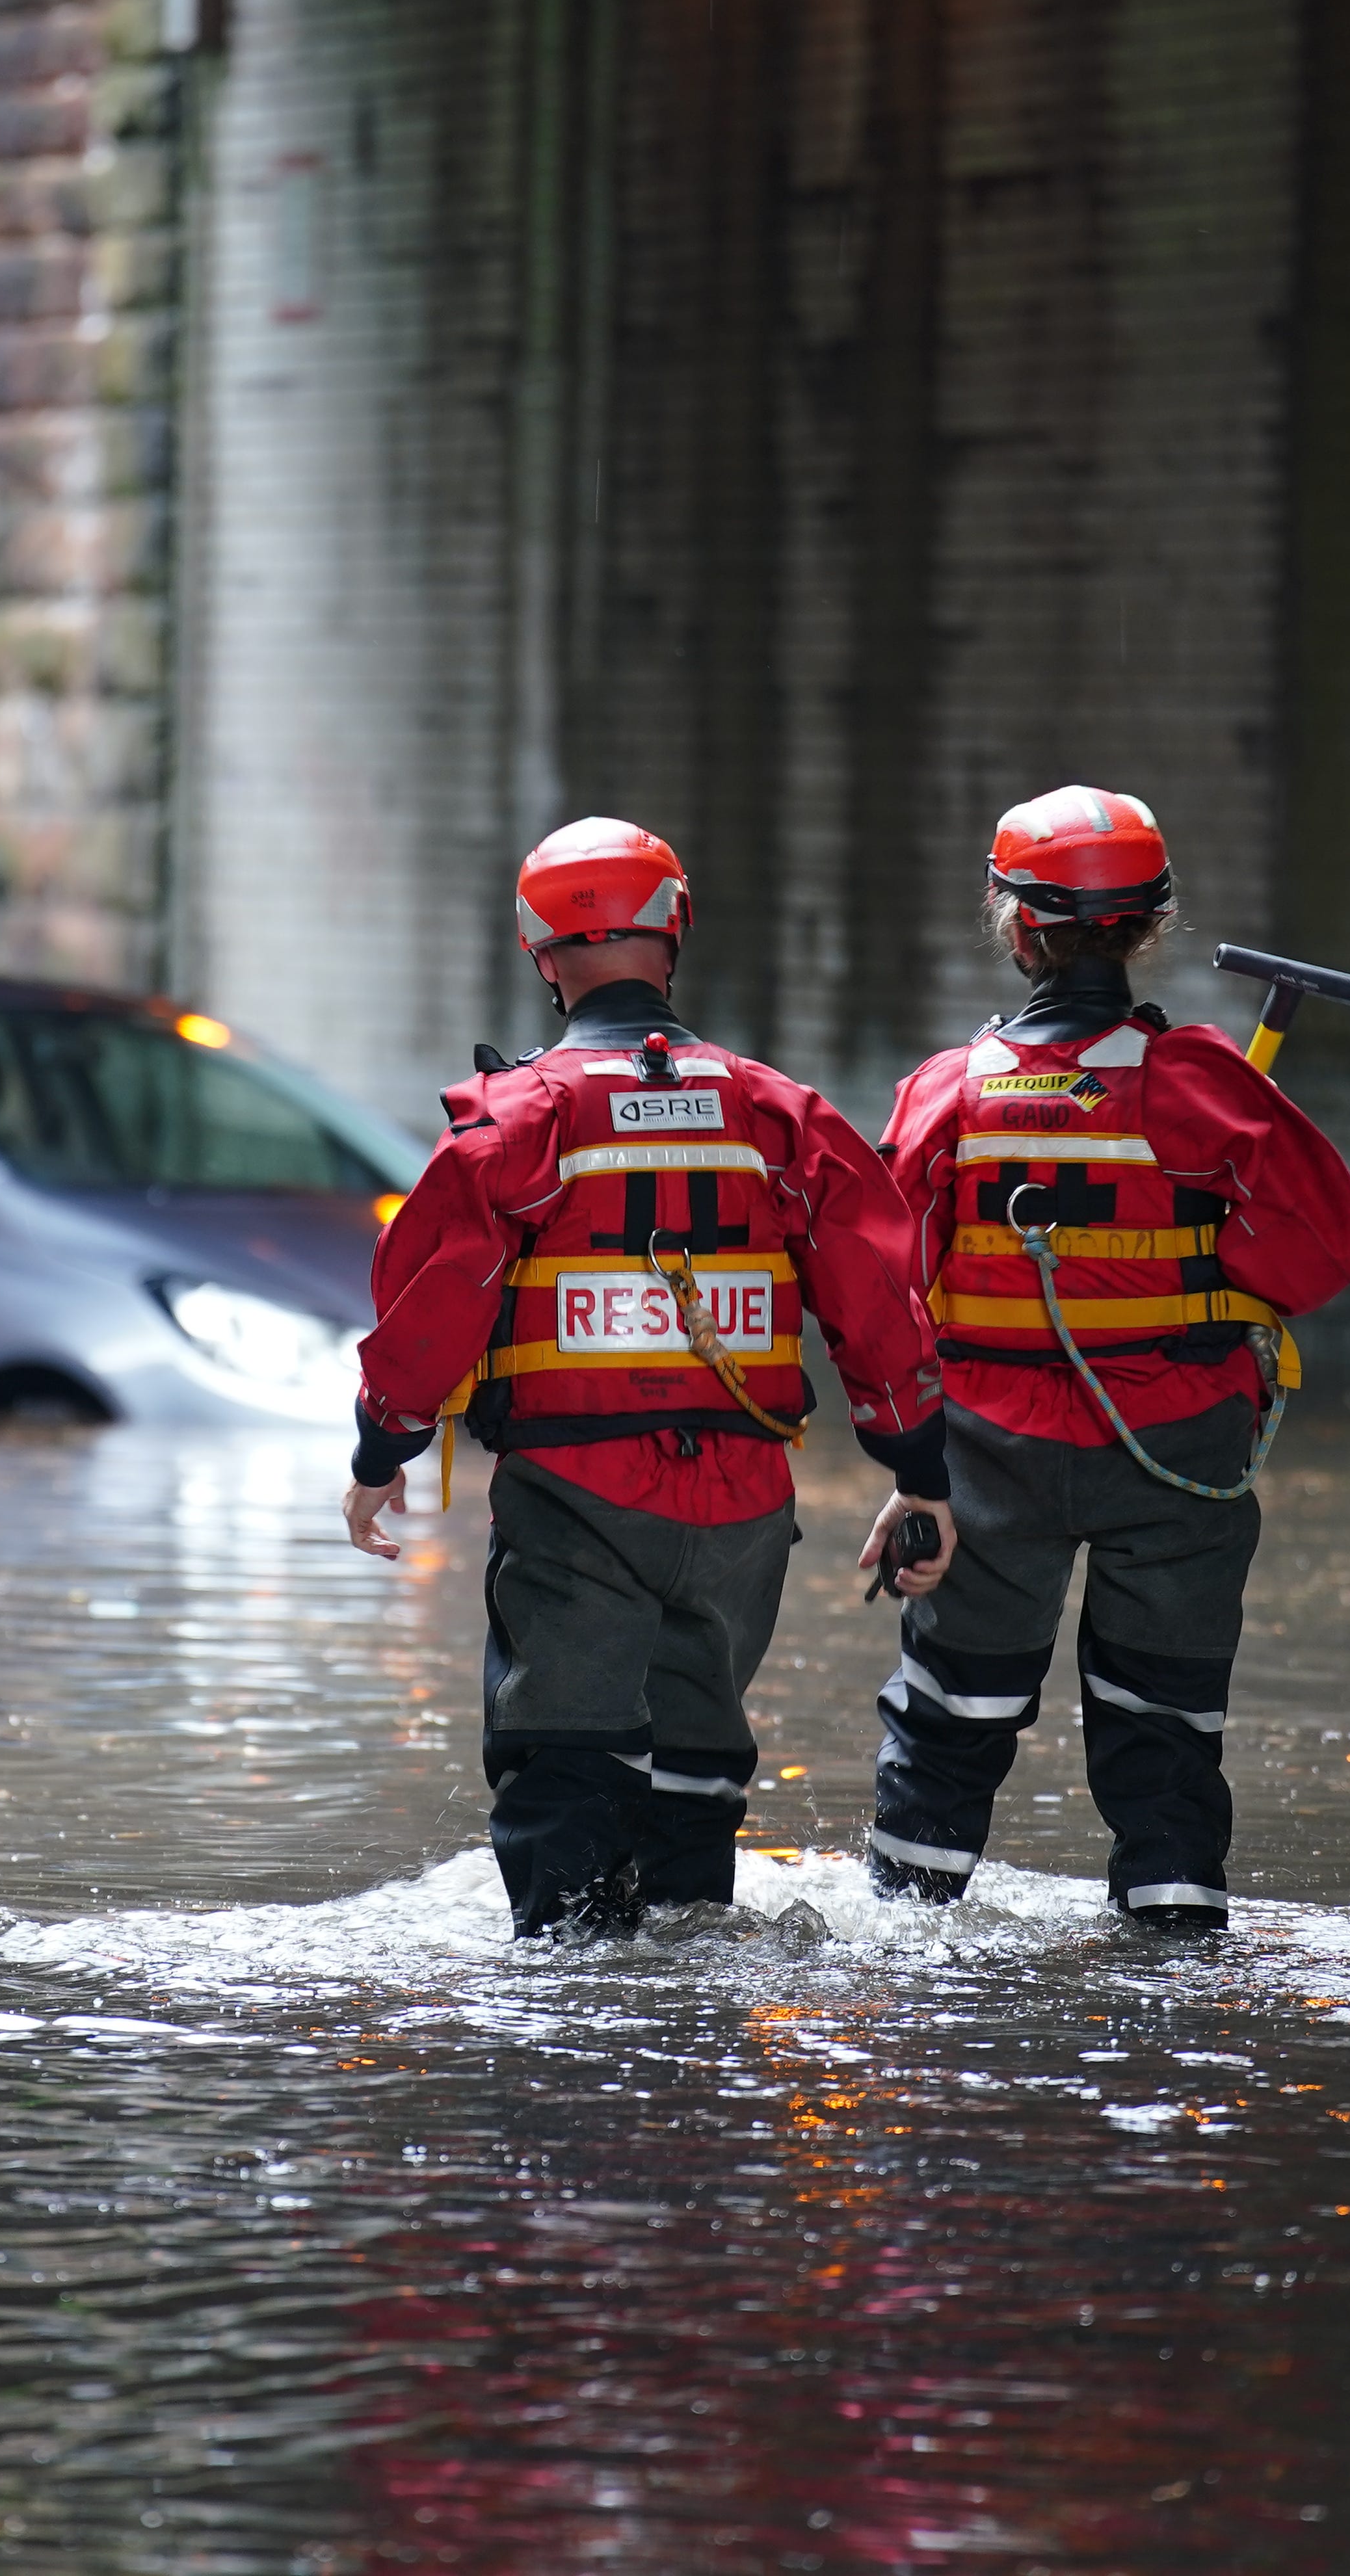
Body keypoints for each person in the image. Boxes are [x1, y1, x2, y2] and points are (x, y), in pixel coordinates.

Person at [339, 817, 957, 1938]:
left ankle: (583, 2020)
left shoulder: (518, 1122)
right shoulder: (781, 1116)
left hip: (577, 1500)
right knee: (696, 1768)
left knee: (566, 1753)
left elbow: (428, 1303)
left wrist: (384, 1451)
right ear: (676, 935)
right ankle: (688, 1997)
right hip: (744, 1515)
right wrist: (921, 1472)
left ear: (539, 955)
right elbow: (881, 1307)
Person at [860, 785, 1350, 1932]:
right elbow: (1322, 1251)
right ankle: (1180, 1958)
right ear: (1148, 925)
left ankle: (900, 1939)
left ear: (1017, 926)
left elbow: (880, 1287)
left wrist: (910, 1470)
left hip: (988, 1452)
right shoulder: (1202, 1083)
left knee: (950, 1718)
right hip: (1178, 1449)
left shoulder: (949, 1094)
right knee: (1165, 1727)